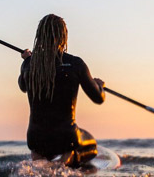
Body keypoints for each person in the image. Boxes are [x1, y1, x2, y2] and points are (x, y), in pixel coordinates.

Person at [18, 14, 105, 167]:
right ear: (63, 36)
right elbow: (98, 98)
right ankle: (67, 162)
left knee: (40, 160)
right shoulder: (75, 64)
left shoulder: (29, 65)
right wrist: (100, 86)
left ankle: (41, 164)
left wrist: (27, 60)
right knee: (91, 144)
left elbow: (22, 86)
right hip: (65, 138)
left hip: (36, 138)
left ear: (39, 36)